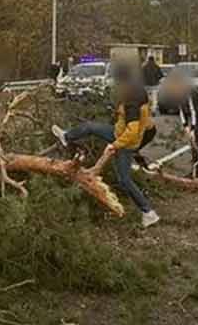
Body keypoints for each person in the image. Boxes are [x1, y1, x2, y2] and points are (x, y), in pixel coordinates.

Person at [53, 77, 159, 227]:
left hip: (124, 143)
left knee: (124, 180)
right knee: (90, 127)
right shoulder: (139, 95)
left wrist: (115, 145)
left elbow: (133, 132)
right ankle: (66, 136)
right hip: (118, 134)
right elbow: (148, 127)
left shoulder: (132, 104)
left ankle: (148, 212)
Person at [157, 72, 198, 176]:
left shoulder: (189, 92)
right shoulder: (178, 94)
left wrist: (192, 129)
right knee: (194, 144)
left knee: (196, 143)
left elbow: (193, 111)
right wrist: (185, 127)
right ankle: (196, 172)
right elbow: (181, 111)